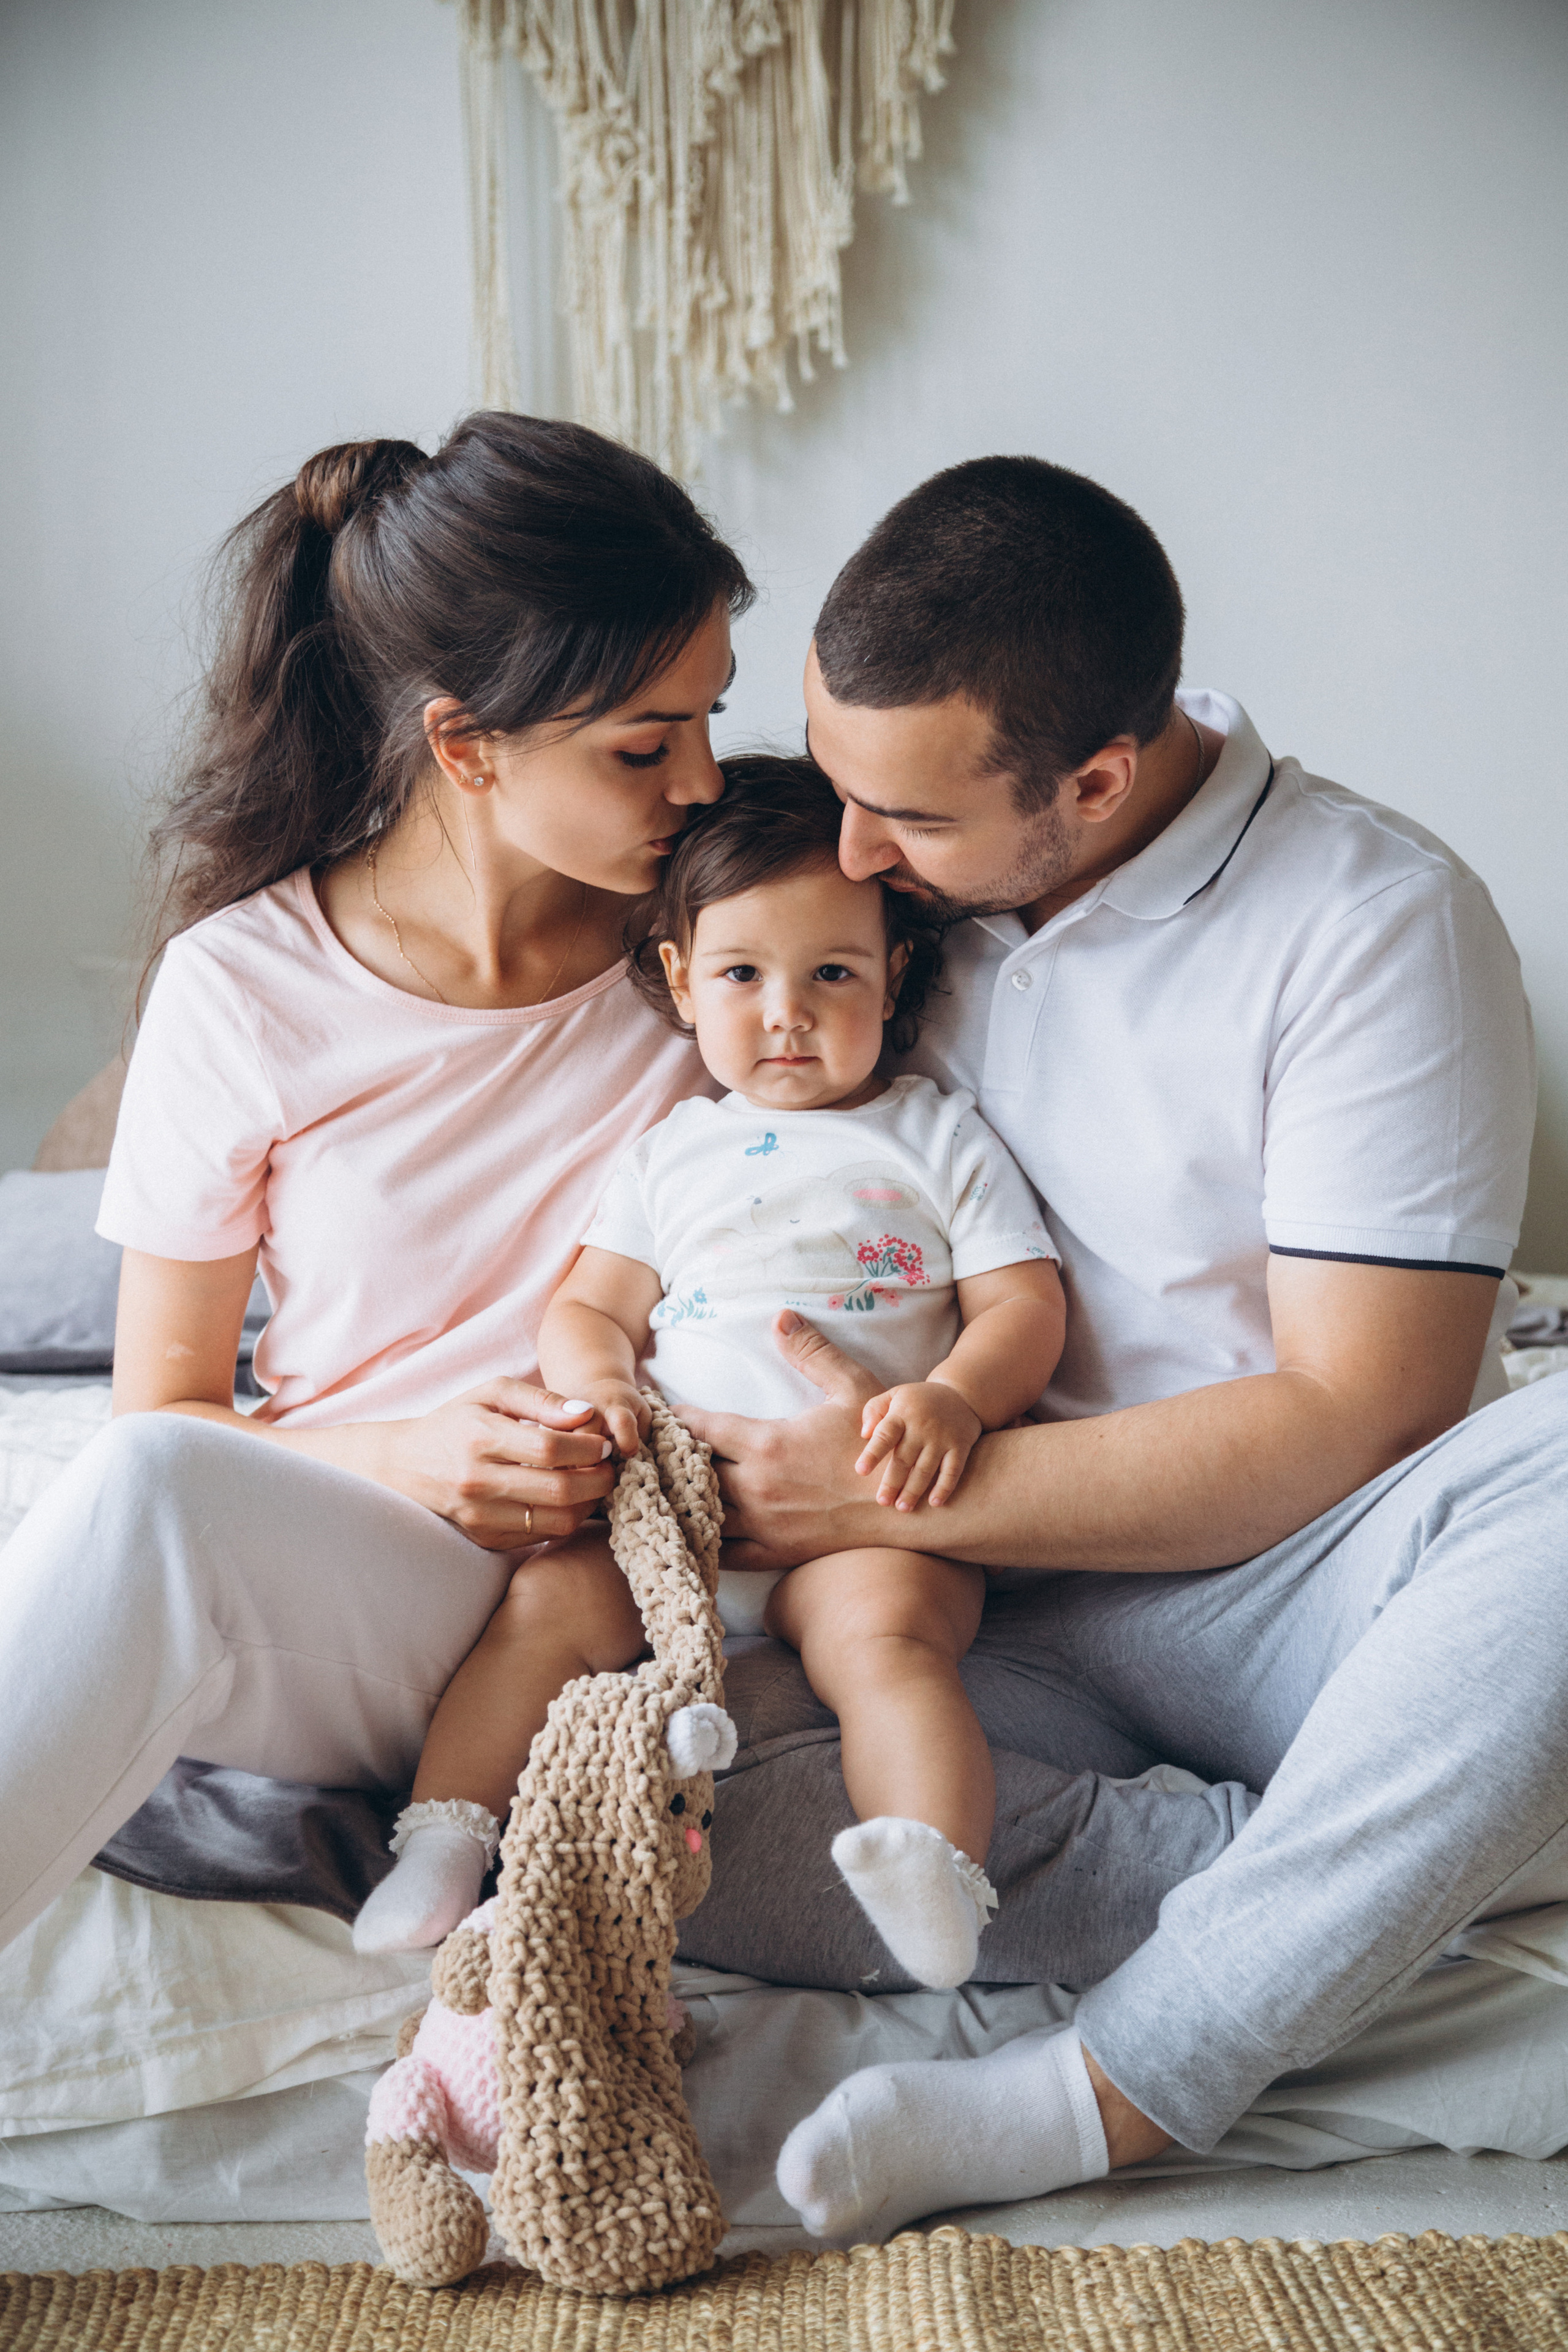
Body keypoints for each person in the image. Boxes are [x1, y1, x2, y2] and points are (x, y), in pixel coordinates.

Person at [665, 457, 1568, 2244]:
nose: (852, 861)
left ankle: (1116, 2087)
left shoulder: (1374, 921)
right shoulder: (901, 915)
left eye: (900, 821)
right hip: (991, 1633)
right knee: (665, 1795)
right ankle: (1383, 1862)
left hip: (1303, 1581)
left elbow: (1358, 1410)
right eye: (837, 786)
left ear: (1094, 782)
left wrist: (900, 1497)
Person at [0, 412, 757, 1949]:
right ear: (464, 743)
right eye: (640, 744)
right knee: (138, 1483)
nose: (698, 780)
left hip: (641, 1584)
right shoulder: (243, 986)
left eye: (707, 719)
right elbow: (166, 1408)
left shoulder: (722, 963)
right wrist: (409, 1456)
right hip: (379, 1578)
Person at [352, 758, 1066, 1988]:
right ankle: (447, 1839)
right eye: (742, 974)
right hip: (676, 1519)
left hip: (867, 1521)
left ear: (894, 975)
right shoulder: (671, 1152)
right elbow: (585, 1305)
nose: (785, 1012)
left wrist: (953, 1398)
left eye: (830, 973)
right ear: (681, 982)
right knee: (543, 1613)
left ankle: (929, 1869)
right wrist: (605, 1386)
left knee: (888, 1647)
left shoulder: (935, 1134)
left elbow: (1022, 1304)